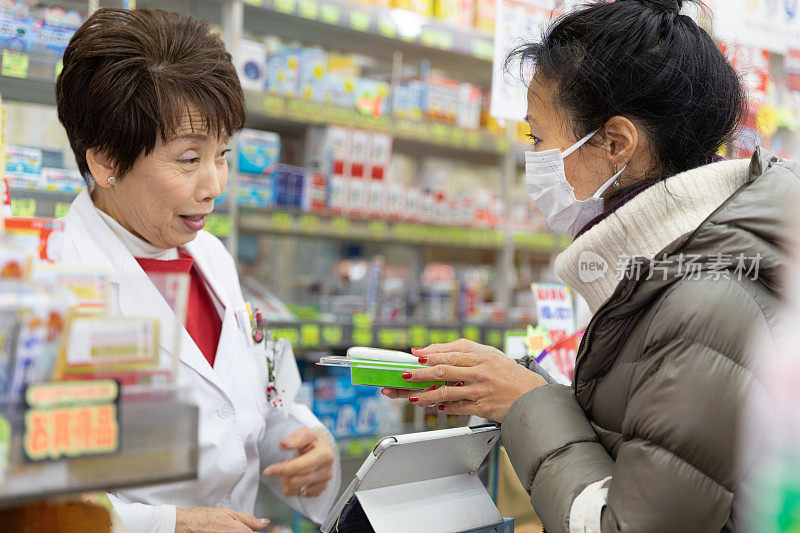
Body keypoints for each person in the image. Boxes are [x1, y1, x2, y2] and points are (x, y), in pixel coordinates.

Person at [383, 0, 800, 530]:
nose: (533, 158)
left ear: (616, 143)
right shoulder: (665, 271)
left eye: (538, 137)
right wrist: (515, 388)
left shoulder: (703, 301)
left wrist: (526, 402)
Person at [55, 9, 340, 532]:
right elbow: (31, 499)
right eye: (189, 160)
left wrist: (304, 440)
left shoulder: (211, 258)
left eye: (222, 154)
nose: (214, 184)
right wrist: (168, 524)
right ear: (104, 162)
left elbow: (256, 402)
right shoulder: (47, 285)